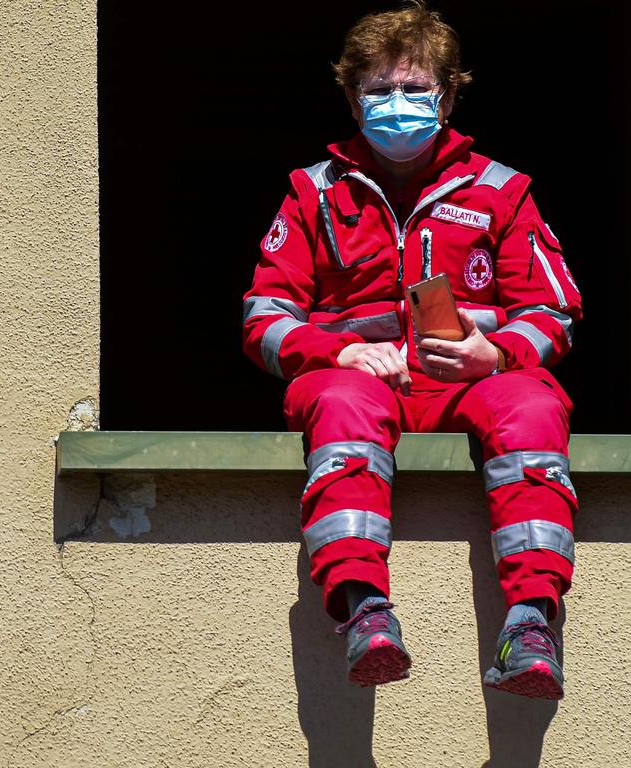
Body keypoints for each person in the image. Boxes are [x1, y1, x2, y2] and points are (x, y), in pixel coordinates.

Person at [241, 0, 581, 700]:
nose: (398, 105)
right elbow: (264, 315)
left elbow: (554, 309)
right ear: (350, 97)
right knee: (339, 402)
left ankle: (532, 623)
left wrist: (500, 353)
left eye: (415, 89)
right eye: (379, 90)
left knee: (531, 401)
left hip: (468, 386)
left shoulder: (500, 191)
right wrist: (333, 355)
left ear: (450, 95)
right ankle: (364, 611)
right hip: (358, 388)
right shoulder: (313, 192)